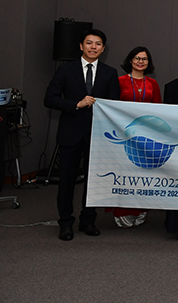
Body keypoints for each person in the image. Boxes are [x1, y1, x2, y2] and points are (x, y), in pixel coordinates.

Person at [44, 29, 120, 241]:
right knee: (67, 181)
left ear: (103, 49)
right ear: (81, 46)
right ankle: (65, 223)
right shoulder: (65, 70)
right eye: (89, 43)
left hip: (98, 136)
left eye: (98, 44)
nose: (93, 47)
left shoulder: (110, 72)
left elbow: (114, 104)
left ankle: (88, 220)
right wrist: (76, 104)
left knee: (94, 181)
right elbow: (49, 99)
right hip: (70, 134)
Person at [111, 46, 162, 228]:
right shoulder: (119, 81)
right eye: (137, 58)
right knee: (123, 174)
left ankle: (141, 209)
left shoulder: (152, 84)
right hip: (123, 135)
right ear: (130, 60)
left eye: (144, 59)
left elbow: (158, 110)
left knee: (143, 174)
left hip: (145, 138)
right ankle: (122, 211)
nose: (141, 62)